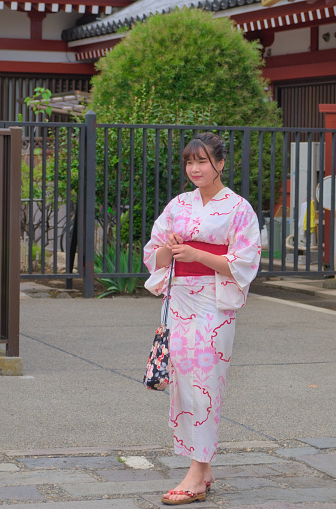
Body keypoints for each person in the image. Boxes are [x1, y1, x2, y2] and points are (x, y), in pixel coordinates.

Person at [143, 132, 261, 505]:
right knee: (183, 384)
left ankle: (196, 473)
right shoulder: (178, 204)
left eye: (203, 161)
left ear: (220, 164)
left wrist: (197, 254)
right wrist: (169, 249)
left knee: (206, 382)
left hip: (214, 303)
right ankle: (203, 466)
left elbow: (244, 262)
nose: (195, 168)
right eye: (190, 162)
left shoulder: (238, 208)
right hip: (180, 301)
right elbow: (153, 257)